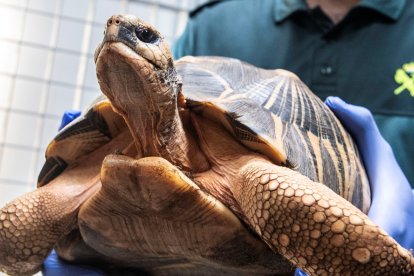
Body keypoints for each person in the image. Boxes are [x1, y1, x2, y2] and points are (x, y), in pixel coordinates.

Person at [44, 0, 414, 273]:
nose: (116, 29)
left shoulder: (252, 178)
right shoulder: (216, 24)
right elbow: (171, 113)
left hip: (318, 212)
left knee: (263, 184)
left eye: (143, 36)